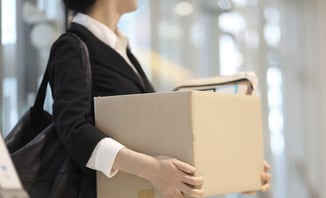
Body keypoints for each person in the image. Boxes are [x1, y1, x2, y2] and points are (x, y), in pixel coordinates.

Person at [47, 0, 271, 197]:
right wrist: (153, 169)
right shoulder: (72, 46)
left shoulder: (121, 50)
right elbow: (73, 129)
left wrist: (235, 169)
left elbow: (153, 139)